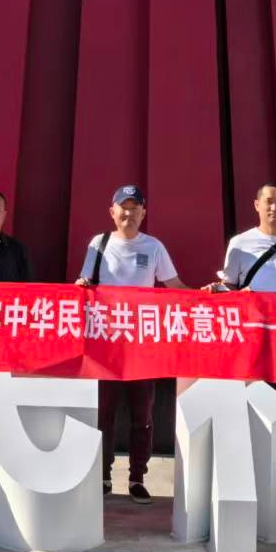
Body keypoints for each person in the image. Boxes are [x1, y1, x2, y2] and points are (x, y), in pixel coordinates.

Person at [75, 185, 187, 503]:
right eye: (123, 207)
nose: (128, 213)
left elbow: (174, 285)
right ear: (112, 212)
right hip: (105, 344)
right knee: (104, 414)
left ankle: (137, 477)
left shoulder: (153, 247)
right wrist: (81, 286)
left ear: (143, 213)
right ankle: (103, 475)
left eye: (134, 208)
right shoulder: (99, 244)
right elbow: (84, 283)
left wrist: (206, 298)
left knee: (143, 416)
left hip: (141, 344)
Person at [204, 183, 276, 295]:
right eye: (269, 202)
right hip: (253, 310)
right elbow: (229, 285)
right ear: (257, 205)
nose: (274, 208)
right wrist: (217, 289)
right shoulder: (238, 243)